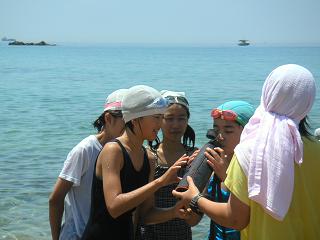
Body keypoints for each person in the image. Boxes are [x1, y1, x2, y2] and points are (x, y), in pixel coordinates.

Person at [173, 64, 320, 240]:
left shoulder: (250, 151)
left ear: (267, 94)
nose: (219, 136)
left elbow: (236, 219)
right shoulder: (315, 148)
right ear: (308, 102)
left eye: (228, 131)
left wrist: (195, 198)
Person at [82, 85, 190, 240]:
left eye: (161, 117)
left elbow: (145, 215)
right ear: (136, 118)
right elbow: (114, 206)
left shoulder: (149, 158)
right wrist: (161, 182)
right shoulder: (113, 150)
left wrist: (174, 211)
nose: (160, 125)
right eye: (156, 117)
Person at [49, 89, 128, 240]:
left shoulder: (127, 151)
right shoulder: (86, 149)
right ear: (108, 118)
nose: (131, 128)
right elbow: (56, 198)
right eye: (127, 122)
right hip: (77, 234)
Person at [190, 100, 254, 240]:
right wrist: (194, 173)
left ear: (249, 132)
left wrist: (226, 176)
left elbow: (248, 215)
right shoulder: (215, 163)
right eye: (216, 129)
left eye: (228, 130)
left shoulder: (255, 167)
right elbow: (192, 219)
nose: (220, 136)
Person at [137, 90, 197, 240]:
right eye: (169, 118)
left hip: (182, 235)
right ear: (158, 121)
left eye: (181, 118)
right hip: (149, 235)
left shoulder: (195, 156)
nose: (175, 125)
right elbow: (143, 214)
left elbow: (195, 215)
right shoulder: (148, 156)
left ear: (187, 121)